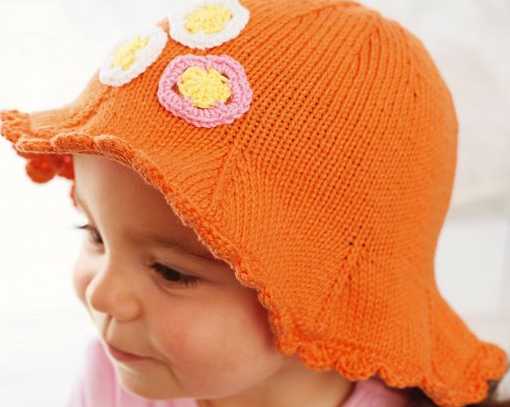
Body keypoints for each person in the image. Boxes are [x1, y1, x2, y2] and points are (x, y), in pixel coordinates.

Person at [1, 0, 508, 406]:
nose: (103, 295)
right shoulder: (111, 379)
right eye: (94, 235)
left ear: (322, 302)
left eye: (171, 272)